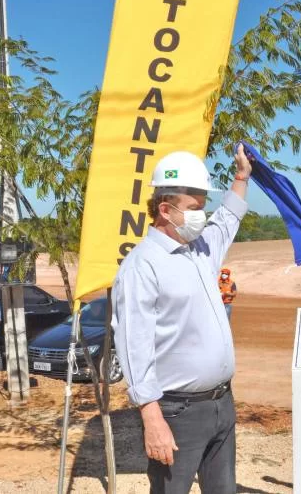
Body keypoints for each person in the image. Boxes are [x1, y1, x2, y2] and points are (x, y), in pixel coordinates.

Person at [113, 145, 252, 494]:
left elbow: (228, 218)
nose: (202, 215)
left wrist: (240, 178)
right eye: (193, 208)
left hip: (221, 403)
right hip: (177, 412)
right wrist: (151, 417)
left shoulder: (201, 249)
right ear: (165, 209)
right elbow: (134, 345)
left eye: (203, 207)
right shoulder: (142, 267)